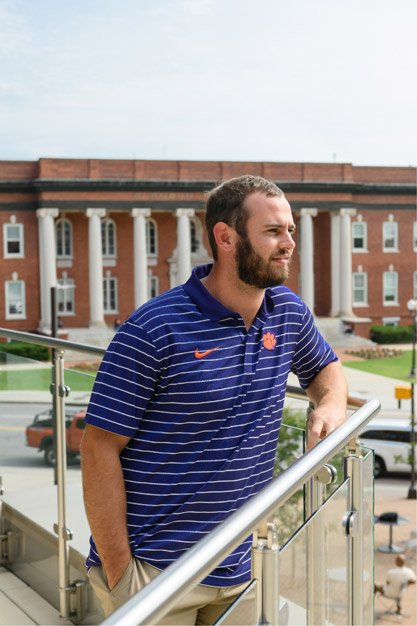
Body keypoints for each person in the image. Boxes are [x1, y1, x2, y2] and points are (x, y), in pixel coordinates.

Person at [81, 175, 348, 623]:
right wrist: (122, 572)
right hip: (158, 572)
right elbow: (98, 448)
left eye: (290, 231)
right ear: (225, 237)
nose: (288, 243)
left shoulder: (287, 311)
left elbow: (326, 369)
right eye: (272, 231)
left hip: (244, 567)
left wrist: (331, 405)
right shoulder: (152, 329)